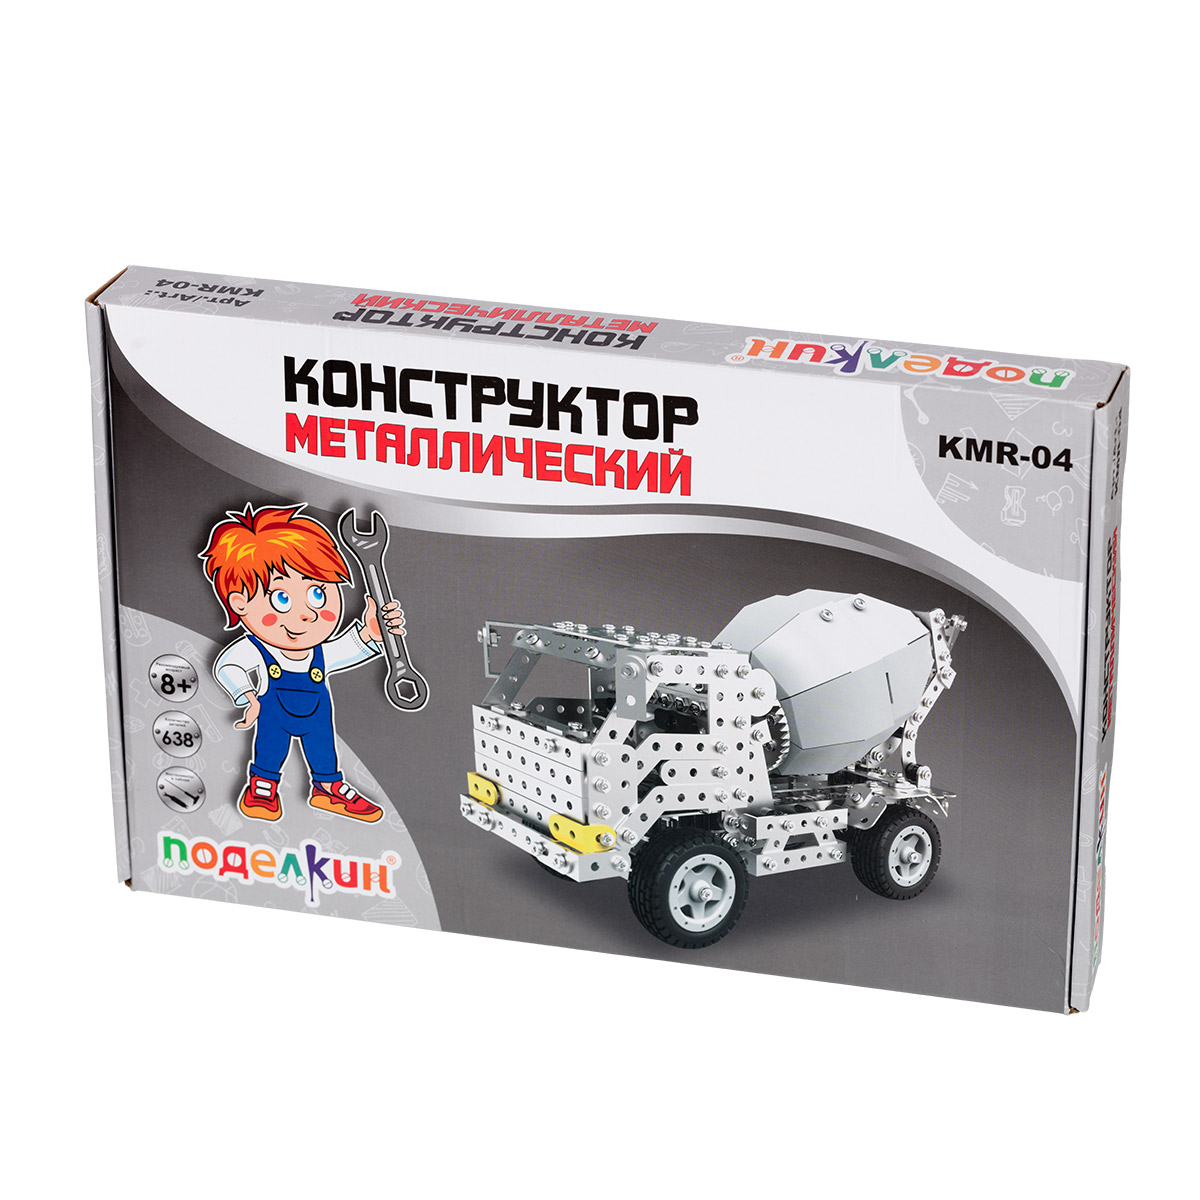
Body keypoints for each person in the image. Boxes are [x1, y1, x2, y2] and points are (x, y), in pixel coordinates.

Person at [200, 504, 405, 823]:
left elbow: (349, 648)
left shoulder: (320, 652)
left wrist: (371, 633)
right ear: (240, 603)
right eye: (281, 599)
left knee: (323, 749)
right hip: (274, 714)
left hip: (316, 717)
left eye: (318, 594)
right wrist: (248, 697)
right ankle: (262, 788)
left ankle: (328, 789)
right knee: (270, 749)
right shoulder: (255, 648)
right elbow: (228, 667)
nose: (307, 614)